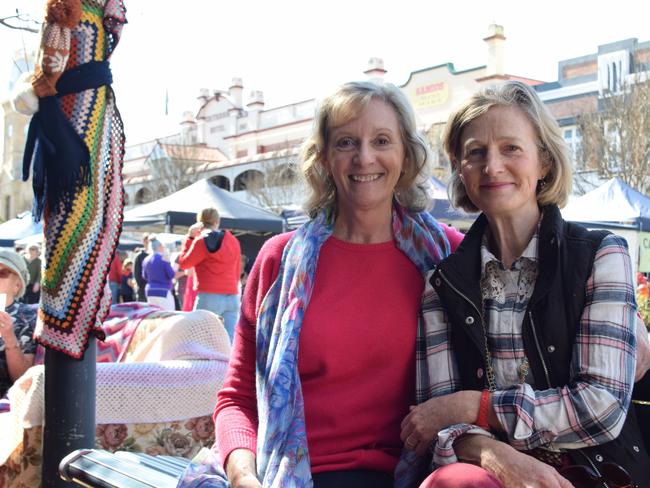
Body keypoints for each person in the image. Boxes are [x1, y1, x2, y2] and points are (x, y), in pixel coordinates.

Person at [200, 81, 500, 488]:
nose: (364, 158)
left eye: (381, 140)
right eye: (346, 142)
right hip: (293, 475)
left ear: (406, 156)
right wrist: (242, 475)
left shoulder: (450, 256)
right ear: (324, 157)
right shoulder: (278, 261)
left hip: (417, 474)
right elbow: (237, 397)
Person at [402, 81, 650, 487]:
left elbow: (601, 406)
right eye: (475, 152)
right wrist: (495, 454)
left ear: (545, 163)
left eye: (511, 148)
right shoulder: (441, 283)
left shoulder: (601, 255)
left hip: (597, 473)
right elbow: (437, 423)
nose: (492, 166)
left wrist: (473, 406)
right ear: (461, 171)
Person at [178, 207, 242, 341]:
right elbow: (237, 271)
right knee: (228, 342)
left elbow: (184, 263)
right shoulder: (232, 241)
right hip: (231, 295)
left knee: (199, 339)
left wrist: (190, 238)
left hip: (209, 295)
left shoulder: (200, 241)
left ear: (200, 222)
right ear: (218, 221)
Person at [0, 249, 37, 398]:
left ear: (17, 286)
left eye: (2, 273)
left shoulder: (27, 317)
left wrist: (9, 337)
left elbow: (22, 379)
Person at [141, 238, 175, 310]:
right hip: (163, 290)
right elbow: (171, 274)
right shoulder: (163, 258)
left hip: (150, 291)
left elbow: (144, 276)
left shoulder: (146, 259)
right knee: (169, 315)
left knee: (154, 316)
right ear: (159, 246)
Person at [133, 233, 150, 302]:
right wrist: (142, 285)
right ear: (143, 242)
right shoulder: (139, 256)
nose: (147, 243)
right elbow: (137, 274)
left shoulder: (155, 255)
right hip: (142, 290)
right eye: (146, 241)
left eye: (148, 241)